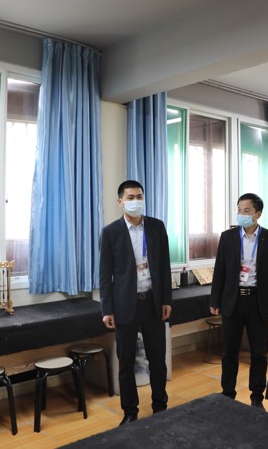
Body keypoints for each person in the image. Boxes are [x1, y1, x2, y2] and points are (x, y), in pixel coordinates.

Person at [99, 180, 172, 425]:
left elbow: (164, 266)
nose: (136, 201)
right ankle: (130, 412)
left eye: (139, 196)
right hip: (124, 307)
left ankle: (160, 406)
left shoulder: (157, 227)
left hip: (153, 302)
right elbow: (105, 275)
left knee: (158, 361)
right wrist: (107, 309)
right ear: (120, 202)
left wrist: (166, 300)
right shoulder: (110, 232)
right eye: (130, 197)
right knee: (126, 364)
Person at [210, 193, 268, 410]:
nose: (241, 214)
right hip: (232, 301)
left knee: (259, 353)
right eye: (239, 210)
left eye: (247, 211)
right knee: (229, 352)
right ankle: (227, 394)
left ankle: (257, 397)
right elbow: (220, 271)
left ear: (258, 214)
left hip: (258, 302)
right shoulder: (228, 237)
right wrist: (215, 300)